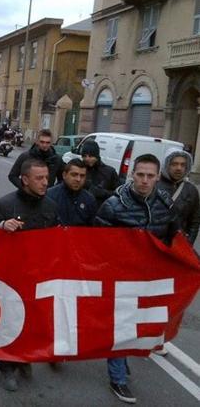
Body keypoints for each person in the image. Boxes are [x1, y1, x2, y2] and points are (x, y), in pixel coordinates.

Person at [94, 154, 179, 404]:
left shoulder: (165, 204)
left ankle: (124, 359)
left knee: (139, 326)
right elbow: (97, 243)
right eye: (140, 175)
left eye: (150, 176)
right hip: (120, 279)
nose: (144, 180)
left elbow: (176, 237)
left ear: (157, 176)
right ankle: (117, 378)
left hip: (150, 279)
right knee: (121, 326)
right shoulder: (113, 204)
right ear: (132, 174)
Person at [0, 158, 59, 392]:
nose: (45, 182)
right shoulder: (5, 204)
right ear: (25, 180)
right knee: (13, 322)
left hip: (40, 275)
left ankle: (25, 358)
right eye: (39, 178)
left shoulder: (51, 207)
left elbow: (59, 238)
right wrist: (2, 226)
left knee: (35, 321)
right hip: (12, 276)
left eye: (46, 178)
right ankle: (7, 367)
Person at [158, 149, 200, 244]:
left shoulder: (191, 190)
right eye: (174, 164)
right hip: (155, 243)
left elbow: (194, 221)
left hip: (178, 245)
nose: (179, 168)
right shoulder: (154, 186)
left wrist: (188, 243)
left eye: (183, 165)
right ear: (166, 165)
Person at [47, 158, 98, 226]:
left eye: (82, 176)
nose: (78, 179)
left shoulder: (89, 199)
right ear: (64, 175)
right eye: (74, 175)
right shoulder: (50, 196)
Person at [81, 140, 120, 206]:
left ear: (96, 156)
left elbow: (118, 194)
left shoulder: (109, 172)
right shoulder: (80, 170)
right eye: (84, 156)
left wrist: (102, 192)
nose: (87, 159)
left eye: (90, 156)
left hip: (102, 210)